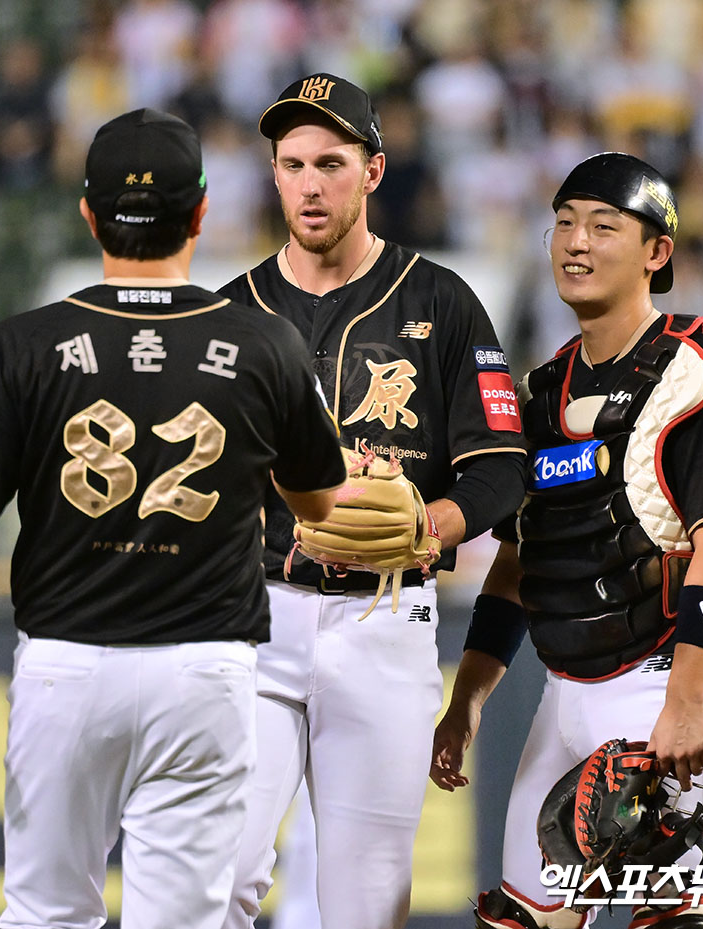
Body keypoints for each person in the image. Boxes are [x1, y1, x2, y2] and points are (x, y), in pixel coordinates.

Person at [0, 108, 347, 929]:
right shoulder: (267, 344)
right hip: (204, 672)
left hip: (66, 668)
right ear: (201, 212)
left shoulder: (26, 344)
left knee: (48, 916)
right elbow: (318, 511)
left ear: (87, 213)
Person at [219, 73, 528, 929]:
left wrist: (431, 524)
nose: (310, 183)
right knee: (219, 879)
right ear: (273, 174)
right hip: (254, 619)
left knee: (366, 903)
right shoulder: (230, 315)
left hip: (385, 621)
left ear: (374, 171)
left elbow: (504, 469)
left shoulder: (442, 301)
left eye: (331, 161)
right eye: (291, 164)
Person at [431, 153, 703, 929]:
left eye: (604, 226)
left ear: (657, 251)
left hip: (669, 676)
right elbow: (520, 560)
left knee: (676, 919)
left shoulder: (698, 376)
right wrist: (469, 697)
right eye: (565, 223)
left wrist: (687, 702)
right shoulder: (542, 391)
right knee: (524, 917)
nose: (576, 242)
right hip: (568, 688)